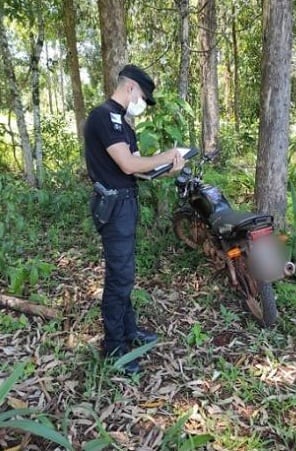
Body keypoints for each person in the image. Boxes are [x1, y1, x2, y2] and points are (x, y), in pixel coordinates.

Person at [84, 64, 184, 375]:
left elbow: (140, 168)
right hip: (113, 206)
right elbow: (127, 164)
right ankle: (114, 348)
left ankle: (129, 331)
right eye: (142, 95)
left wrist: (171, 167)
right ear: (130, 88)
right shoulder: (103, 116)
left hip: (126, 205)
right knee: (119, 278)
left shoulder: (125, 125)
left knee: (125, 273)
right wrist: (167, 154)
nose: (142, 103)